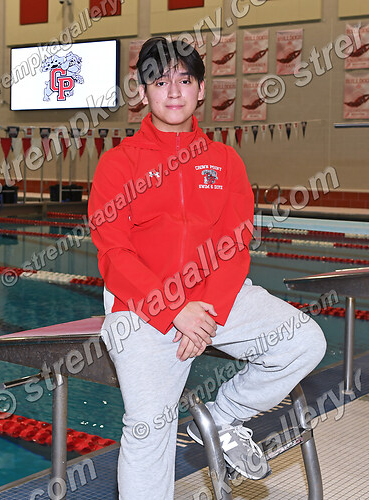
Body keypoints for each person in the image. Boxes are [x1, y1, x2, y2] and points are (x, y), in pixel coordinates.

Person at [88, 36, 326, 500]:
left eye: (184, 80)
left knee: (303, 341)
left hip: (216, 298)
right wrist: (175, 309)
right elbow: (114, 252)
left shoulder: (225, 161)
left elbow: (234, 245)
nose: (173, 91)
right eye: (160, 82)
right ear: (143, 92)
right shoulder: (119, 163)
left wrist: (206, 313)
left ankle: (222, 415)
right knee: (147, 426)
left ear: (200, 90)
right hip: (141, 308)